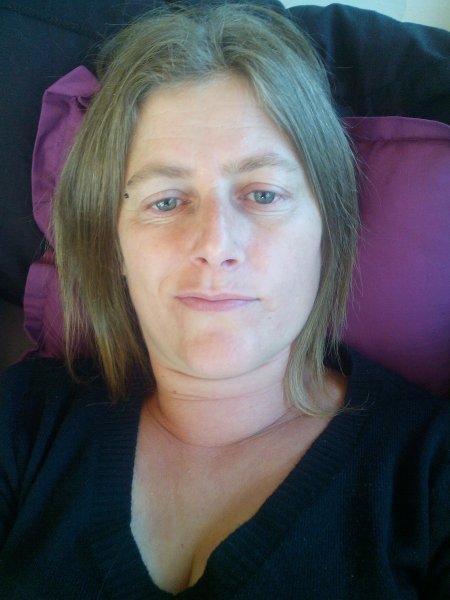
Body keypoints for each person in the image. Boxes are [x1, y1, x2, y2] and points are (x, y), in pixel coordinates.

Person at [0, 3, 449, 599]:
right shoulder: (23, 422)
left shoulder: (432, 474)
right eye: (165, 201)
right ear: (114, 245)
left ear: (327, 230)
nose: (215, 245)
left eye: (263, 194)